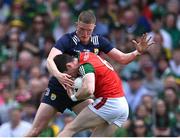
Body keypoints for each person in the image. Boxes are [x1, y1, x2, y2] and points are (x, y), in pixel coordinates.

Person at [25, 10, 153, 136]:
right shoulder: (67, 39)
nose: (85, 34)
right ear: (77, 24)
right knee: (36, 131)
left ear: (94, 28)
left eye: (89, 30)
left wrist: (137, 52)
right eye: (81, 29)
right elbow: (50, 59)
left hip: (80, 90)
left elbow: (122, 58)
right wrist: (59, 75)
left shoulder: (99, 41)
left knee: (98, 125)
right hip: (59, 88)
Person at [57, 52, 129, 136]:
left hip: (110, 103)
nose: (72, 77)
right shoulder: (89, 55)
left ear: (69, 66)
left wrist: (73, 97)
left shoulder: (84, 65)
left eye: (68, 74)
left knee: (70, 129)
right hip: (123, 105)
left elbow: (89, 90)